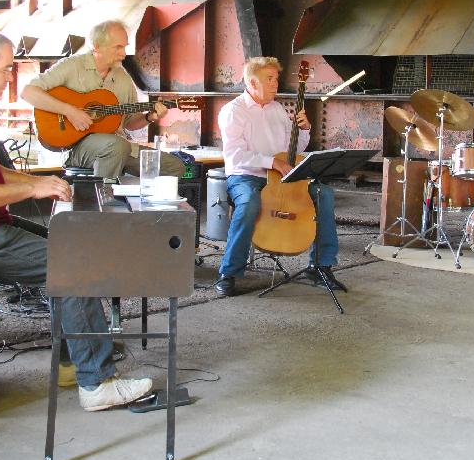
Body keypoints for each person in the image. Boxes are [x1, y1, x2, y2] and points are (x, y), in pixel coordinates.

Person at [0, 27, 151, 411]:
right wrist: (34, 191)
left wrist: (40, 181)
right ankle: (97, 383)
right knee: (71, 266)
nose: (10, 76)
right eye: (5, 69)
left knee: (70, 248)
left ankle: (72, 360)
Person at [213, 57, 345, 297]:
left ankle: (320, 265)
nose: (276, 84)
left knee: (323, 193)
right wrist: (271, 162)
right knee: (249, 203)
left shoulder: (277, 109)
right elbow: (235, 155)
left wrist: (303, 129)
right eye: (269, 79)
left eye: (276, 79)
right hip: (247, 176)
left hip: (281, 173)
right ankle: (229, 272)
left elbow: (294, 149)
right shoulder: (233, 111)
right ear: (252, 83)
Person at [21, 20, 185, 179]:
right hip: (75, 147)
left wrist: (149, 117)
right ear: (97, 46)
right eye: (118, 47)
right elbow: (28, 92)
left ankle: (132, 198)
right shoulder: (72, 66)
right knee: (117, 146)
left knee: (174, 167)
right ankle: (102, 200)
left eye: (125, 47)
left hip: (116, 147)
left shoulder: (123, 78)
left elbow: (129, 123)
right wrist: (69, 111)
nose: (123, 53)